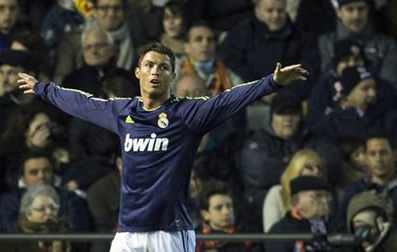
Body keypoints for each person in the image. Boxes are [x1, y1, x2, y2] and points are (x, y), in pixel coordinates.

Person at [18, 42, 308, 251]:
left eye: (163, 67)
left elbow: (228, 99)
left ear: (172, 76)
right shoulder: (122, 112)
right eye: (149, 65)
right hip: (128, 232)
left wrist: (271, 83)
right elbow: (81, 103)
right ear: (138, 73)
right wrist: (43, 88)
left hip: (170, 233)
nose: (155, 71)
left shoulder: (187, 114)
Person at [0, 183, 72, 252]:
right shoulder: (8, 242)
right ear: (28, 213)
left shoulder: (67, 236)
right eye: (41, 209)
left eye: (53, 208)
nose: (49, 212)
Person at [266, 176, 332, 252]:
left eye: (327, 196)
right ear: (295, 201)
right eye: (317, 196)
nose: (325, 201)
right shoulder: (281, 232)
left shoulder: (333, 225)